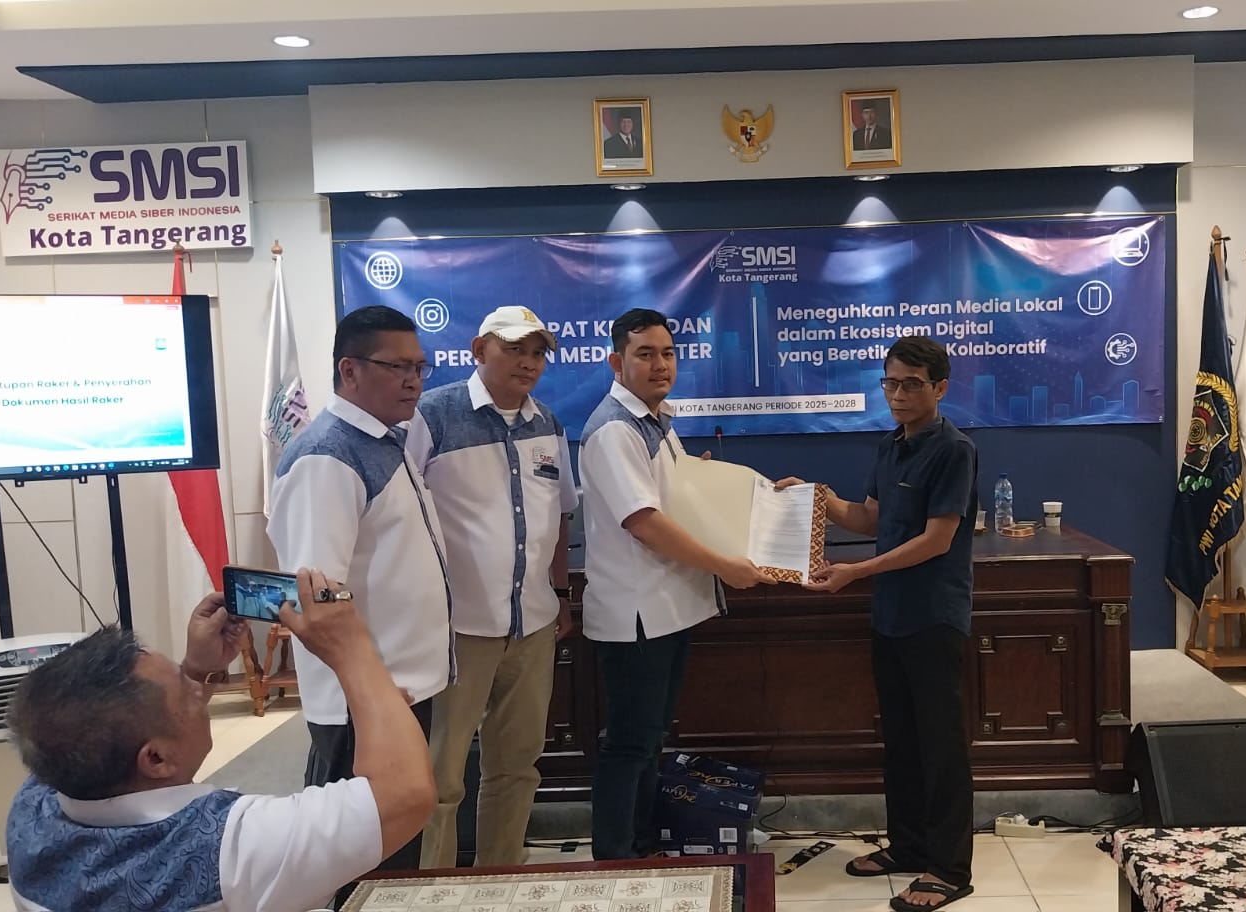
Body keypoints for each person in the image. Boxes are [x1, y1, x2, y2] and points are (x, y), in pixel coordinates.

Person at [5, 570, 436, 912]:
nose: (198, 694)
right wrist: (351, 650)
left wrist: (197, 671)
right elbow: (404, 794)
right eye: (184, 690)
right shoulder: (227, 850)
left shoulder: (31, 809)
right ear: (156, 759)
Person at [777, 336, 978, 912]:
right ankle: (909, 847)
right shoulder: (891, 444)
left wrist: (856, 571)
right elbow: (869, 517)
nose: (898, 394)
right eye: (890, 382)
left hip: (933, 617)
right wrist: (815, 496)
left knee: (941, 747)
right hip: (890, 617)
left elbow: (936, 540)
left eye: (912, 384)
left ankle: (949, 869)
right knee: (902, 742)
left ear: (940, 388)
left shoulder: (954, 450)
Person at [578, 307, 774, 860]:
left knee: (649, 740)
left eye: (667, 353)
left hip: (668, 608)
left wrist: (706, 486)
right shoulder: (615, 429)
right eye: (645, 354)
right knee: (629, 745)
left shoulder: (656, 420)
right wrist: (724, 565)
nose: (660, 364)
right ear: (617, 363)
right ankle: (615, 860)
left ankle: (641, 848)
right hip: (637, 615)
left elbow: (671, 501)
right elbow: (645, 523)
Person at [266, 304, 452, 872]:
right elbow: (316, 600)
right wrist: (368, 688)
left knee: (396, 854)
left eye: (419, 367)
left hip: (396, 691)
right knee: (370, 863)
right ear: (349, 370)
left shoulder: (382, 439)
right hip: (365, 702)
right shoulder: (327, 456)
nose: (414, 381)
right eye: (398, 367)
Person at [410, 305, 577, 868]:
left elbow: (560, 517)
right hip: (458, 628)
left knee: (517, 766)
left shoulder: (548, 424)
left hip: (533, 624)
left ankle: (498, 877)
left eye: (537, 353)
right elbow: (400, 511)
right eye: (514, 349)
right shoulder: (432, 415)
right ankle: (430, 891)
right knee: (441, 774)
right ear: (480, 350)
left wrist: (562, 595)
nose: (528, 363)